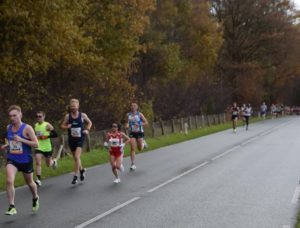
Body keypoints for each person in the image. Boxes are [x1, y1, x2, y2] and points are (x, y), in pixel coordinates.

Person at [0, 105, 40, 215]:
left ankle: (35, 197)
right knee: (9, 180)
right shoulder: (9, 127)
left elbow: (36, 144)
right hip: (12, 158)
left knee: (30, 183)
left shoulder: (27, 128)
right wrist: (6, 146)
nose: (12, 118)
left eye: (15, 115)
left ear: (20, 115)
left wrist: (22, 139)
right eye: (10, 116)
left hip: (25, 160)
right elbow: (12, 143)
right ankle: (12, 206)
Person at [61, 99, 92, 184]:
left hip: (80, 138)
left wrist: (87, 130)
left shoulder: (82, 115)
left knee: (77, 157)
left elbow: (90, 123)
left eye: (74, 106)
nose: (73, 108)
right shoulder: (68, 116)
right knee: (75, 157)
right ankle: (81, 170)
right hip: (71, 139)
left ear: (78, 106)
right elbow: (62, 126)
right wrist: (67, 126)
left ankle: (75, 176)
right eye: (71, 106)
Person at [34, 111, 58, 187]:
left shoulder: (47, 125)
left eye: (40, 116)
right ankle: (38, 179)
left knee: (48, 164)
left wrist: (46, 136)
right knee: (38, 162)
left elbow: (55, 134)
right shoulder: (35, 125)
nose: (38, 118)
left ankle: (53, 162)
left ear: (44, 117)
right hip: (39, 147)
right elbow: (36, 136)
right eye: (37, 116)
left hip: (47, 147)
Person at [125, 102, 148, 171]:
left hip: (139, 132)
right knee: (132, 148)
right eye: (132, 106)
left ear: (137, 107)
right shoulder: (128, 115)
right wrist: (126, 125)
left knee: (140, 148)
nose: (133, 107)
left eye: (134, 106)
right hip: (132, 133)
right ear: (130, 107)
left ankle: (143, 143)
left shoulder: (140, 114)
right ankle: (132, 164)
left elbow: (146, 123)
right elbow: (126, 123)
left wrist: (140, 124)